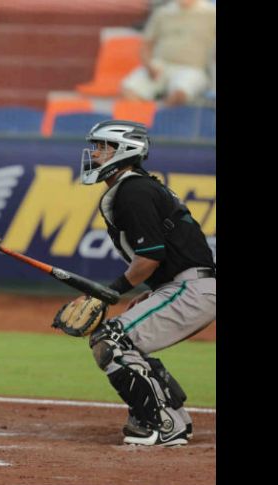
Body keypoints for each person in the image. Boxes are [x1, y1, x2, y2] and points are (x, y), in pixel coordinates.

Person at [76, 119, 216, 446]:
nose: (93, 153)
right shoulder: (135, 186)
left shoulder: (133, 190)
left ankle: (162, 424)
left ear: (123, 151)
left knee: (112, 341)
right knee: (126, 339)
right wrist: (152, 293)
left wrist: (108, 293)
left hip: (191, 288)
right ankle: (175, 415)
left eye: (101, 146)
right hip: (187, 285)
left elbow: (150, 255)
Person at [121, 0, 216, 106]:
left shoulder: (211, 13)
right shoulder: (163, 12)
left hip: (192, 68)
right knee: (129, 90)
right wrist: (148, 65)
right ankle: (141, 119)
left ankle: (159, 118)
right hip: (160, 65)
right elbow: (146, 45)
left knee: (181, 92)